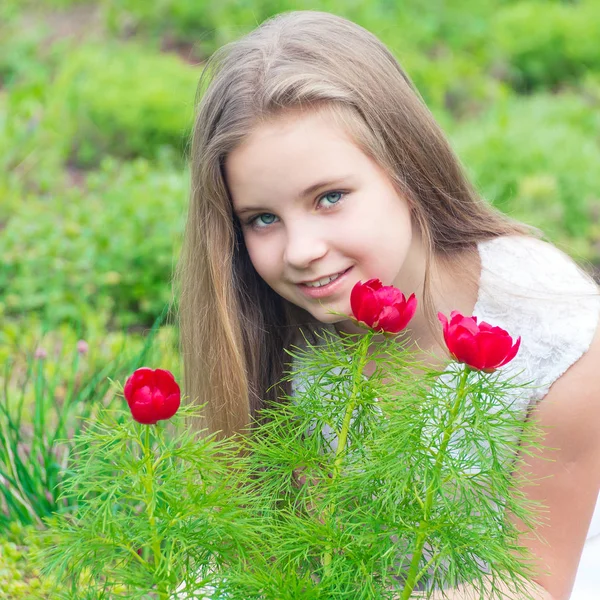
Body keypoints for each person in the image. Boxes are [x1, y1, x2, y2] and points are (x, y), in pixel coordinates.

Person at [176, 10, 600, 599]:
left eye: (329, 197)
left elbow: (532, 583)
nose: (301, 251)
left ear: (408, 167)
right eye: (262, 218)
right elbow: (281, 546)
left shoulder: (561, 338)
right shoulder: (274, 324)